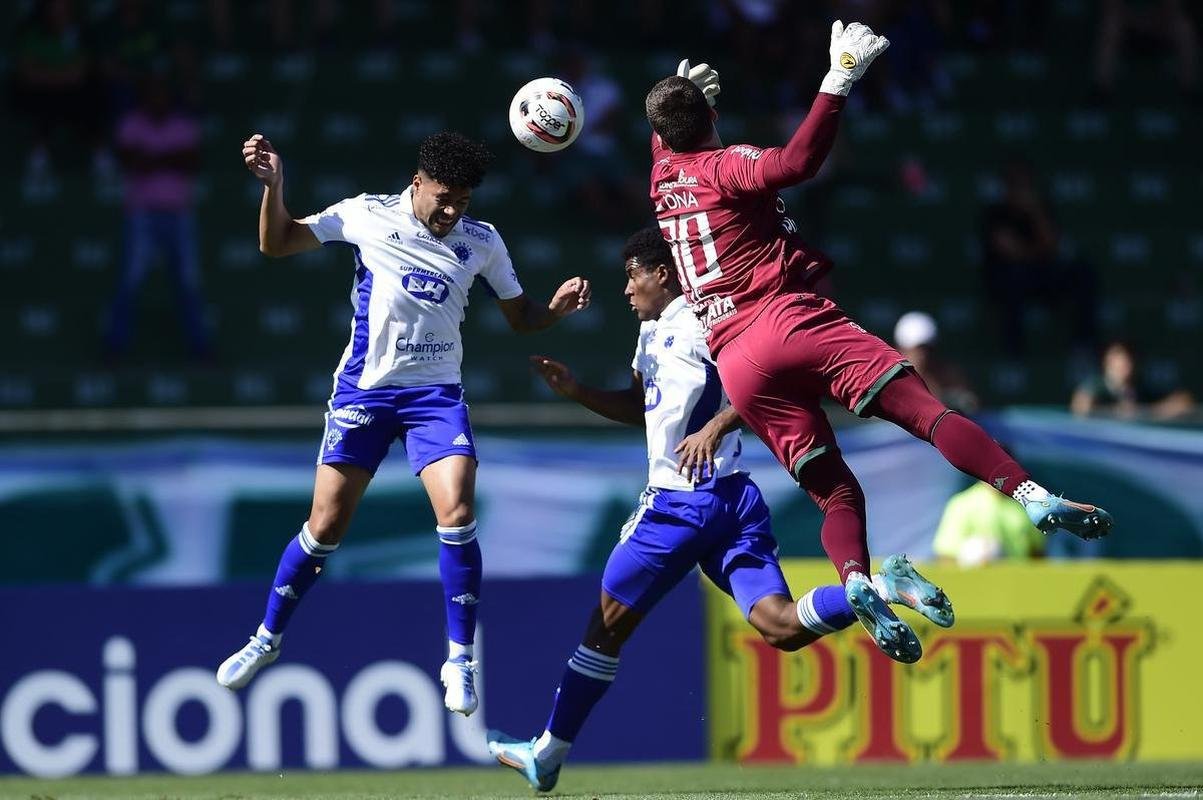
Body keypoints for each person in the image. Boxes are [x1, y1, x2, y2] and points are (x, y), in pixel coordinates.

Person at [644, 22, 1113, 643]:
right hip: (787, 318)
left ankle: (858, 580)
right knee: (927, 413)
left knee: (836, 491)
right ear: (707, 114)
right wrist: (837, 80)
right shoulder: (725, 167)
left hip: (736, 362)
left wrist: (677, 103)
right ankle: (1028, 494)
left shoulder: (660, 179)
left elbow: (667, 140)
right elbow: (798, 162)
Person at [486, 228, 953, 792]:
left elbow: (764, 380)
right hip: (732, 501)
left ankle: (549, 753)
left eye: (634, 274)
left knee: (603, 630)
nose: (626, 287)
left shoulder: (708, 322)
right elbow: (641, 408)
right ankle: (882, 587)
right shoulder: (649, 332)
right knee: (779, 627)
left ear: (663, 274)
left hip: (679, 505)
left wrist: (716, 423)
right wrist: (579, 391)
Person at [215, 131, 592, 717]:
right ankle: (266, 638)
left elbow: (522, 319)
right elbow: (278, 242)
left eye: (461, 203)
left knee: (459, 512)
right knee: (325, 527)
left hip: (435, 397)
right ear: (418, 183)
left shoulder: (482, 242)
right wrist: (275, 186)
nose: (450, 212)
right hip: (365, 392)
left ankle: (460, 658)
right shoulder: (365, 215)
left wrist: (555, 312)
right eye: (443, 198)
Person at [105, 73, 209, 361]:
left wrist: (152, 158)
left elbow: (190, 161)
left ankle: (201, 350)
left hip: (179, 215)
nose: (158, 99)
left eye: (162, 93)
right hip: (141, 215)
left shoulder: (182, 124)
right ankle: (114, 349)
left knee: (189, 284)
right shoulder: (132, 122)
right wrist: (167, 158)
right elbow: (128, 160)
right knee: (129, 282)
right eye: (152, 93)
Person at [1071, 340, 1195, 420]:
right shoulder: (1095, 385)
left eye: (1128, 361)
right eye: (1118, 362)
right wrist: (1117, 413)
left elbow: (1183, 401)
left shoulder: (1140, 387)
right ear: (1107, 362)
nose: (1125, 365)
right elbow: (1080, 409)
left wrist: (1145, 413)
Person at [893, 311, 979, 413]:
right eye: (916, 350)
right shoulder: (891, 378)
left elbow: (972, 404)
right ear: (901, 350)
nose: (922, 356)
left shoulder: (948, 374)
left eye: (927, 349)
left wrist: (952, 398)